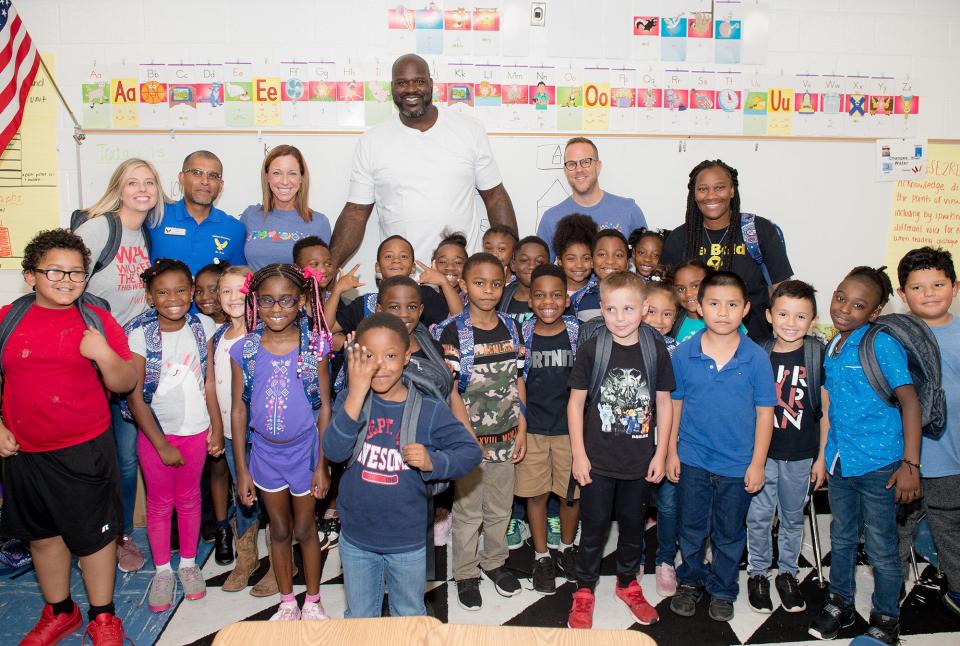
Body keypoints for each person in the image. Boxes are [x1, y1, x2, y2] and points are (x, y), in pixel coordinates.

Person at [1, 229, 137, 645]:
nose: (66, 281)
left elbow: (127, 379)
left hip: (84, 449)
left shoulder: (96, 320)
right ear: (31, 276)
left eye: (76, 273)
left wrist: (103, 354)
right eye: (54, 271)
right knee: (42, 537)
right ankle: (61, 610)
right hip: (23, 452)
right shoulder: (9, 316)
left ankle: (103, 616)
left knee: (95, 539)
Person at [323, 313, 481, 617]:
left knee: (408, 615)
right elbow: (332, 449)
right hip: (357, 538)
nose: (380, 366)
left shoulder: (429, 409)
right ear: (356, 356)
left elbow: (470, 453)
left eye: (391, 355)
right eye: (369, 356)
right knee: (359, 617)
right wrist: (356, 392)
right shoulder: (351, 399)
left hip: (407, 541)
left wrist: (434, 460)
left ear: (407, 356)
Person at [808, 266, 921, 644]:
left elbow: (910, 402)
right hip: (843, 462)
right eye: (840, 297)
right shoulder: (832, 346)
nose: (844, 308)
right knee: (840, 537)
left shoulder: (880, 343)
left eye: (858, 305)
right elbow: (831, 407)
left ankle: (887, 618)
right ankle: (839, 602)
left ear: (873, 313)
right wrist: (825, 456)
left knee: (881, 547)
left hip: (881, 466)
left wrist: (911, 464)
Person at [329, 53, 517, 267]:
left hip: (460, 276)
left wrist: (512, 261)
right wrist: (328, 268)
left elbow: (494, 196)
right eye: (402, 83)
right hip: (401, 282)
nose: (410, 89)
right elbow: (355, 213)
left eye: (418, 81)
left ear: (430, 84)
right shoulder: (372, 141)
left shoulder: (469, 130)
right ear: (392, 88)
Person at [75, 157, 169, 574]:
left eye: (149, 182)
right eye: (133, 182)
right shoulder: (100, 228)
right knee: (94, 456)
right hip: (92, 359)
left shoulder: (145, 235)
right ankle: (90, 537)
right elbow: (64, 278)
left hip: (129, 358)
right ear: (119, 187)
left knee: (127, 457)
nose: (142, 189)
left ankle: (121, 536)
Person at [566, 271, 674, 629]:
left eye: (629, 308)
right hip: (597, 460)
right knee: (593, 527)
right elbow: (575, 403)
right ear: (601, 309)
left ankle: (628, 584)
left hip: (639, 461)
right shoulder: (594, 347)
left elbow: (664, 402)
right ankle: (584, 589)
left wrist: (660, 453)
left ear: (644, 309)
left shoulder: (654, 346)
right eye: (611, 309)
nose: (620, 317)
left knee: (632, 527)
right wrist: (579, 455)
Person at [667, 271, 776, 623]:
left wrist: (758, 463)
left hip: (737, 464)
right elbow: (676, 406)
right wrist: (671, 451)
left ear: (746, 309)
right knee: (692, 527)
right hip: (694, 458)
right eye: (714, 304)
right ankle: (691, 581)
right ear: (700, 307)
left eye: (732, 305)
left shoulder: (756, 358)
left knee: (729, 532)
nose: (723, 312)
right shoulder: (684, 354)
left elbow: (764, 413)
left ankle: (723, 588)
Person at [230, 263, 334, 621]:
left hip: (304, 454)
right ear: (255, 302)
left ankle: (314, 601)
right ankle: (287, 602)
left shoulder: (315, 349)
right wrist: (242, 470)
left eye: (287, 300)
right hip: (264, 456)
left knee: (305, 529)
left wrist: (322, 464)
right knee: (278, 529)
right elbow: (239, 411)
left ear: (303, 300)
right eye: (268, 301)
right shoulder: (244, 350)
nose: (277, 309)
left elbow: (324, 411)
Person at [123, 259, 224, 613]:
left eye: (181, 290)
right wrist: (161, 444)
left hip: (196, 432)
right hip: (156, 437)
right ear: (150, 297)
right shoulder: (139, 333)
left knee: (190, 499)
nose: (173, 298)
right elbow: (135, 397)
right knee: (160, 504)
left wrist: (216, 426)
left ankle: (189, 563)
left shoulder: (204, 326)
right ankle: (164, 570)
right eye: (163, 292)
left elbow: (209, 380)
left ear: (192, 291)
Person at [433, 253, 527, 611]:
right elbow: (451, 389)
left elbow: (519, 378)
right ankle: (466, 572)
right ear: (465, 285)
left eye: (496, 284)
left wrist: (523, 427)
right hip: (468, 440)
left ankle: (495, 563)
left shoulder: (512, 326)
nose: (488, 291)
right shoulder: (454, 330)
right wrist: (466, 436)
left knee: (501, 507)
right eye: (479, 283)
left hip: (507, 435)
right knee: (469, 511)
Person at [746, 280, 827, 615]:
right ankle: (758, 573)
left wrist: (821, 457)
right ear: (769, 315)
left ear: (812, 320)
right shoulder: (757, 353)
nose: (790, 323)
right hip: (764, 455)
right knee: (760, 516)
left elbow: (826, 411)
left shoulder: (816, 354)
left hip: (801, 454)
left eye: (800, 316)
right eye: (783, 314)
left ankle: (788, 574)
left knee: (793, 517)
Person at [661, 159, 793, 342]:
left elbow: (784, 292)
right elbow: (667, 298)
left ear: (732, 190)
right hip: (691, 345)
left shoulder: (758, 230)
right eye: (703, 189)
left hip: (754, 343)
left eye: (719, 187)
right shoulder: (679, 238)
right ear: (694, 194)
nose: (711, 195)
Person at [896, 247, 960, 618]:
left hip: (949, 456)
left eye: (938, 284)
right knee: (896, 528)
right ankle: (892, 586)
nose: (930, 293)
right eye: (918, 287)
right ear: (903, 295)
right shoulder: (894, 335)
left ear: (954, 286)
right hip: (902, 457)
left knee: (950, 526)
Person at [515, 264, 581, 595]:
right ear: (529, 300)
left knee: (570, 496)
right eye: (539, 295)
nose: (548, 302)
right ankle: (541, 556)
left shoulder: (579, 333)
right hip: (534, 430)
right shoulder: (521, 335)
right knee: (536, 494)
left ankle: (567, 548)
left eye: (556, 294)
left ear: (567, 300)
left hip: (571, 432)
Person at [537, 137, 647, 260]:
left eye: (585, 162)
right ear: (565, 171)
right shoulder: (551, 219)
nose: (579, 169)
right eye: (572, 164)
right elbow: (541, 273)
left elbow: (646, 261)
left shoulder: (629, 210)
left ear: (597, 166)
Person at [641, 279, 681, 596]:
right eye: (652, 311)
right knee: (636, 503)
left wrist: (670, 448)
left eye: (667, 314)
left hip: (666, 440)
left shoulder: (677, 351)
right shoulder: (626, 343)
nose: (658, 320)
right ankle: (635, 556)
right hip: (632, 441)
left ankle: (665, 560)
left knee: (668, 505)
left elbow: (677, 402)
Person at [148, 150, 246, 273]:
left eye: (213, 176)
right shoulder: (155, 217)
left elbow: (238, 282)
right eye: (197, 173)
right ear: (182, 178)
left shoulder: (234, 229)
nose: (205, 181)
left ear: (220, 185)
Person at [241, 146, 332, 271]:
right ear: (267, 176)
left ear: (302, 178)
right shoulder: (250, 216)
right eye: (277, 173)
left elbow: (322, 277)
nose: (284, 181)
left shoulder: (319, 222)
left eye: (292, 173)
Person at [552, 215, 599, 322]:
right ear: (559, 260)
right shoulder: (550, 293)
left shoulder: (601, 293)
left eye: (586, 258)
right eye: (571, 259)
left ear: (593, 260)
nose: (579, 265)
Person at [498, 235, 549, 326]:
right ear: (513, 265)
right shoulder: (499, 298)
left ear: (549, 266)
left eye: (539, 262)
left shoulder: (557, 301)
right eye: (524, 260)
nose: (532, 266)